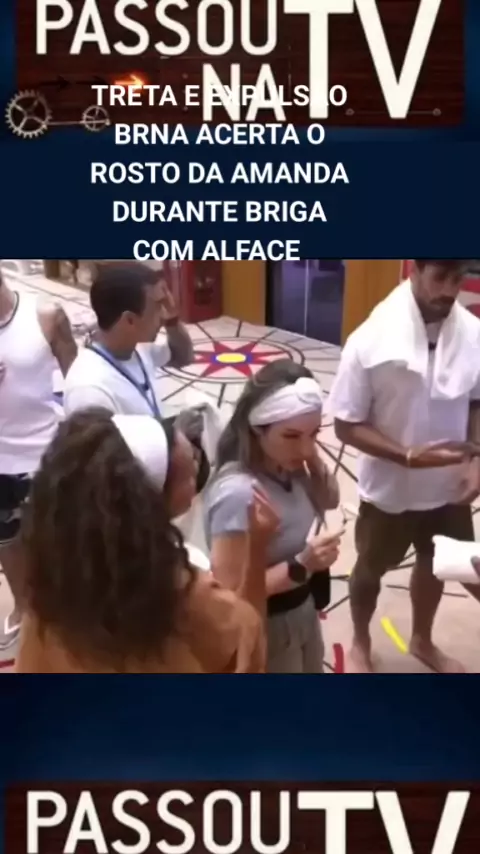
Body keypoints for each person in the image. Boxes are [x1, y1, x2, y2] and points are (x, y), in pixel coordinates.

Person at [16, 409, 278, 673]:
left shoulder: (51, 583)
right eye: (190, 472)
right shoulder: (187, 596)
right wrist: (256, 549)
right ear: (148, 502)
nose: (199, 468)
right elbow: (248, 652)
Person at [328, 259, 480, 673]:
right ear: (414, 270)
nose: (449, 290)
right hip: (389, 486)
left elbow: (476, 400)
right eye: (439, 277)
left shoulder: (473, 334)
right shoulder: (369, 340)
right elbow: (345, 425)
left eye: (458, 278)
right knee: (369, 570)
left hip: (450, 486)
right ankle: (360, 642)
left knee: (437, 563)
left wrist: (477, 458)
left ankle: (422, 640)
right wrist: (406, 456)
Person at [203, 360, 342, 673]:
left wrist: (312, 458)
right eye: (291, 436)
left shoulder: (289, 464)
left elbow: (330, 499)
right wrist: (303, 564)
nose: (304, 448)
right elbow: (229, 592)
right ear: (256, 430)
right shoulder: (239, 493)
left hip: (302, 607)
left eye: (314, 434)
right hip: (269, 624)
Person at [0, 269, 77, 649]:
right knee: (6, 540)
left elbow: (78, 379)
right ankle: (22, 607)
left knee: (59, 539)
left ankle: (68, 611)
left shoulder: (46, 316)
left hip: (45, 453)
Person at [63, 262, 194, 417]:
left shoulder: (137, 347)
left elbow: (183, 357)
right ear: (130, 320)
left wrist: (172, 321)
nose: (163, 315)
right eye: (158, 307)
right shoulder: (89, 392)